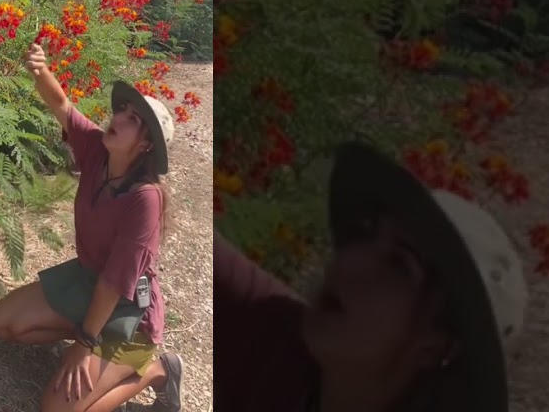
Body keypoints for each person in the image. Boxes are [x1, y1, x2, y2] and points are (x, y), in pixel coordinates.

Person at [215, 141, 528, 412]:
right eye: (364, 233)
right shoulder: (276, 348)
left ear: (435, 347)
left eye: (398, 265)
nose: (349, 259)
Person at [0, 42, 186, 412]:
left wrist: (83, 343)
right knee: (4, 322)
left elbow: (115, 283)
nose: (120, 116)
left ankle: (159, 371)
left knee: (56, 410)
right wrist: (40, 70)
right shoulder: (98, 151)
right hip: (87, 283)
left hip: (129, 312)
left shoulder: (145, 199)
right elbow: (62, 107)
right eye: (122, 109)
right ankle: (93, 351)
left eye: (133, 119)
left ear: (145, 145)